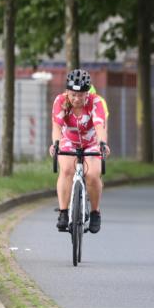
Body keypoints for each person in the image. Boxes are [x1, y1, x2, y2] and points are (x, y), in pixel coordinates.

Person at [50, 69, 109, 234]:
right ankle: (63, 212)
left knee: (93, 174)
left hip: (91, 142)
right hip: (69, 140)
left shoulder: (95, 102)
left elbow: (99, 126)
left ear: (87, 93)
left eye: (81, 95)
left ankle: (95, 212)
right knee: (67, 170)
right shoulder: (60, 101)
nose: (77, 99)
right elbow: (57, 126)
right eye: (73, 94)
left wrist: (103, 143)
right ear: (67, 91)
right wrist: (55, 143)